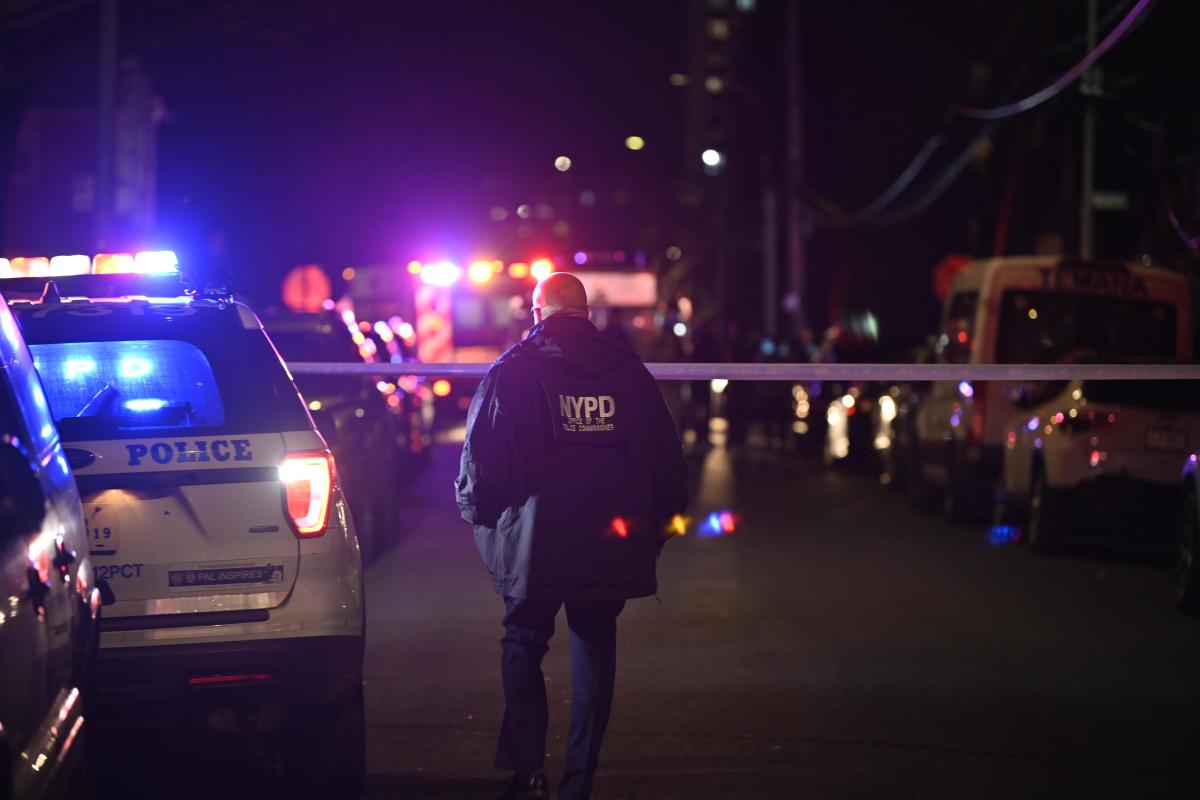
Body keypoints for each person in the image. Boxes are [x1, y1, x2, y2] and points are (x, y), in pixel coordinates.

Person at [455, 272, 689, 800]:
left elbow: (483, 467)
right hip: (608, 542)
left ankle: (529, 772)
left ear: (539, 313)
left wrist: (480, 517)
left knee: (522, 644)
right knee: (596, 651)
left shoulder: (512, 372)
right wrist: (657, 529)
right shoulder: (629, 373)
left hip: (534, 545)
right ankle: (579, 782)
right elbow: (667, 461)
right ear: (586, 314)